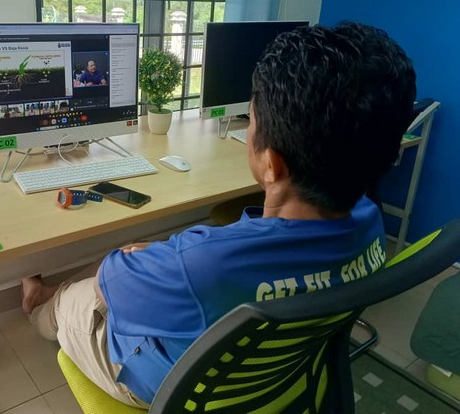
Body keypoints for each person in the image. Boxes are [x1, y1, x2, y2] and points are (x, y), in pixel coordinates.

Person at [21, 24, 416, 407]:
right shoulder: (371, 225)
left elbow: (108, 284)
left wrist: (161, 259)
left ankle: (41, 305)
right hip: (277, 375)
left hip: (165, 385)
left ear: (272, 165)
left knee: (79, 295)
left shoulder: (200, 265)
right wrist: (168, 259)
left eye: (252, 121)